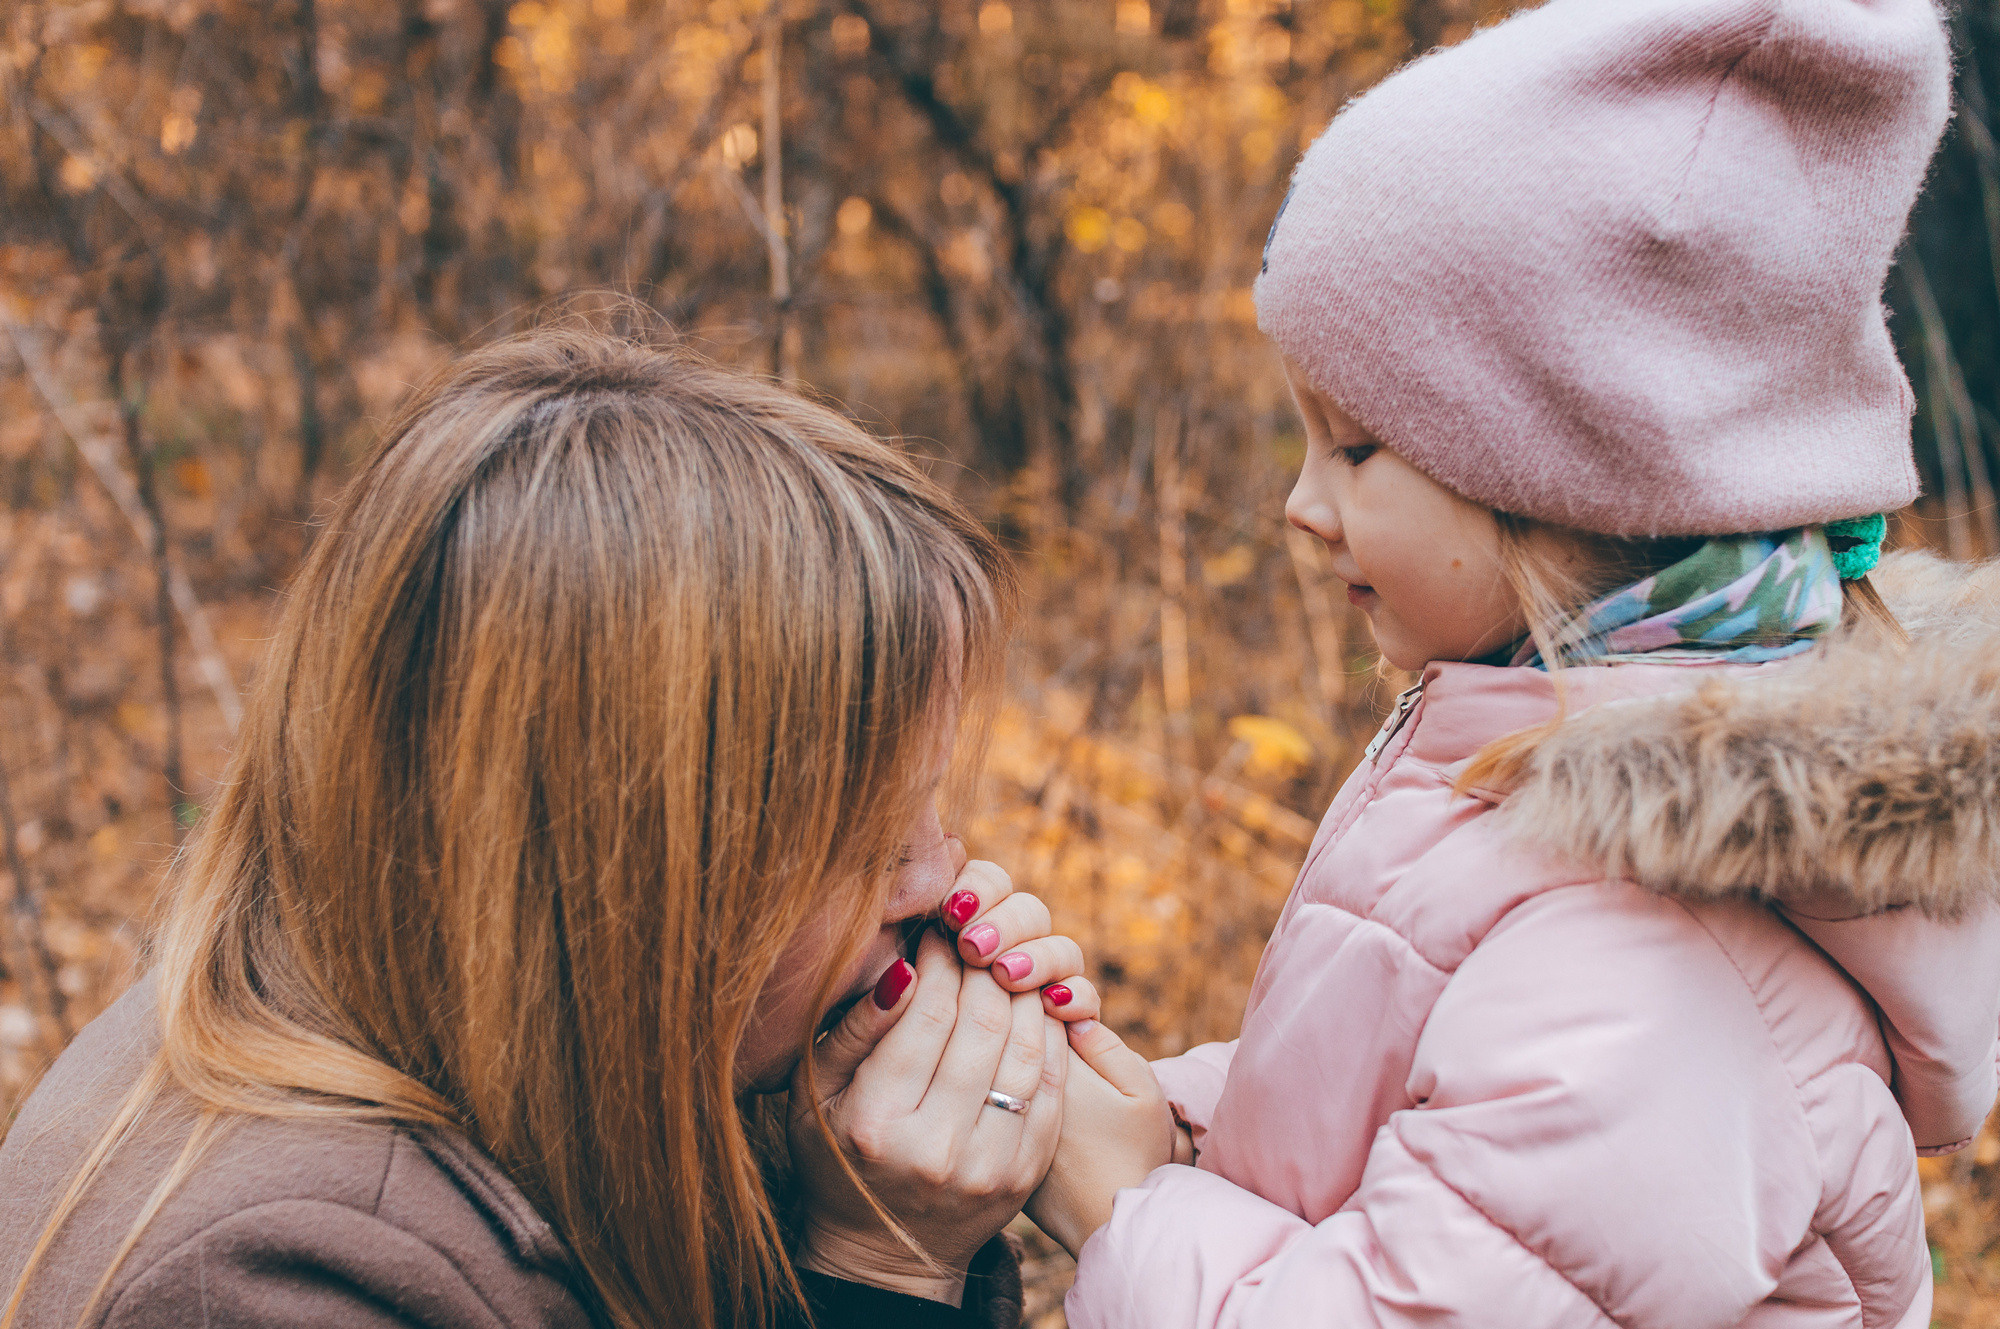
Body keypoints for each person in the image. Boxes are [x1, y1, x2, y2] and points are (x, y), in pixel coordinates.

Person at [1028, 1, 2000, 1326]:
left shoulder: (1651, 957)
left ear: (1571, 483)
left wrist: (1119, 1204)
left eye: (1355, 447)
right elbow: (1415, 1105)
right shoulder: (1546, 776)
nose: (1302, 507)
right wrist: (1172, 1117)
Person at [0, 326, 1107, 1329]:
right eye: (867, 843)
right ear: (623, 868)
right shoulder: (274, 1287)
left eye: (928, 810)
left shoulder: (542, 1051)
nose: (942, 876)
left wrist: (893, 1166)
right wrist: (880, 1277)